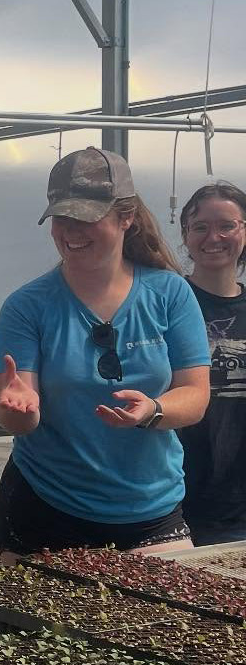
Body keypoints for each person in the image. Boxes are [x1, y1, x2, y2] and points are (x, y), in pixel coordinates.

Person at [0, 147, 210, 563]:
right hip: (47, 504)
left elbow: (196, 395)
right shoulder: (27, 306)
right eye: (61, 217)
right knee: (35, 627)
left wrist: (153, 410)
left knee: (166, 622)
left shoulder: (169, 293)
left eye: (87, 217)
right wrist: (18, 410)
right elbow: (18, 410)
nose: (70, 230)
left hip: (151, 507)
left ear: (125, 218)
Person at [177, 181, 246, 545]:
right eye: (200, 226)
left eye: (227, 225)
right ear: (186, 235)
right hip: (173, 500)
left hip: (238, 502)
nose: (213, 237)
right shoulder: (165, 302)